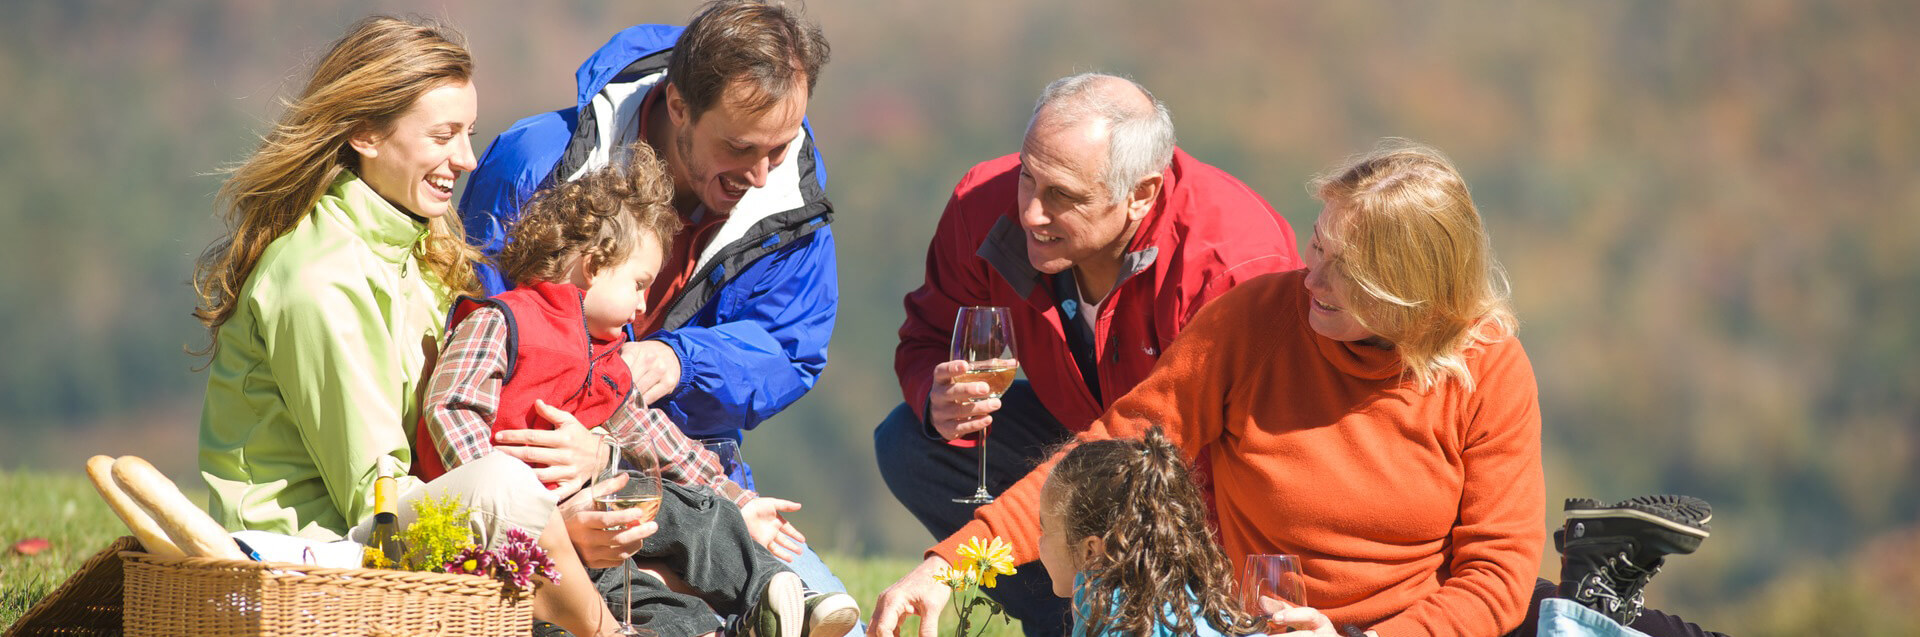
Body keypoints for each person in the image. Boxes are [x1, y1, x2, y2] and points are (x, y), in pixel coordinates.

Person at [870, 141, 1725, 637]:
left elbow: (1496, 577)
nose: (1306, 272)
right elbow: (1107, 453)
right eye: (1316, 242)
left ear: (1410, 296)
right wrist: (954, 560)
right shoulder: (1259, 318)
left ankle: (1600, 590)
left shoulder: (1489, 366)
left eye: (1339, 268)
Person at [192, 16, 630, 636]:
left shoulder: (420, 248)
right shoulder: (318, 280)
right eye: (444, 136)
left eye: (469, 134)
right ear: (365, 133)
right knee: (506, 487)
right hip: (312, 553)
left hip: (395, 519)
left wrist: (578, 482)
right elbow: (374, 499)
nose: (468, 159)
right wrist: (536, 514)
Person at [872, 72, 1300, 634]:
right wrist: (936, 396)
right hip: (1092, 444)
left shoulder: (1230, 267)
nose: (1029, 212)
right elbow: (930, 331)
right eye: (1028, 176)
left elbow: (1240, 457)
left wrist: (956, 561)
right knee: (911, 443)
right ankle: (1075, 621)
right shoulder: (985, 205)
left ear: (1140, 193)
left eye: (1062, 197)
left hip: (1202, 491)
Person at [418, 144, 858, 637]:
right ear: (594, 265)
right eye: (639, 284)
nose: (643, 304)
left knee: (681, 545)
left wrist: (732, 494)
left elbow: (658, 442)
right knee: (655, 560)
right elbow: (452, 405)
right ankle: (765, 602)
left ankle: (771, 601)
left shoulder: (604, 359)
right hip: (520, 544)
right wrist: (515, 514)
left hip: (597, 537)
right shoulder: (504, 321)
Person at [460, 0, 835, 481]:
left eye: (780, 147)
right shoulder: (538, 164)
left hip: (690, 468)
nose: (761, 176)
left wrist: (681, 361)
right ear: (679, 106)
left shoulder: (792, 210)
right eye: (739, 147)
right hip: (530, 452)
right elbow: (480, 317)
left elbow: (790, 349)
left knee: (790, 563)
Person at [1038, 427, 1263, 637]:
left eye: (1045, 530)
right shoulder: (1196, 602)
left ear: (1092, 551)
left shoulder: (1114, 617)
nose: (1039, 542)